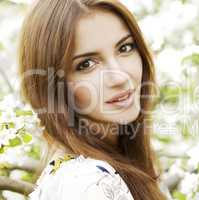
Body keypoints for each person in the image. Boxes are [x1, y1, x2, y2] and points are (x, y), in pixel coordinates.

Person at [18, 0, 167, 199]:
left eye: (125, 48)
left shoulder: (123, 162)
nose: (119, 77)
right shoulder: (88, 183)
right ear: (53, 86)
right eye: (87, 64)